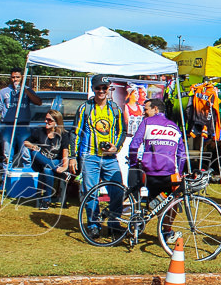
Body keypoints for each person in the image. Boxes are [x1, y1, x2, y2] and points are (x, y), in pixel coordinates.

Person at [69, 75, 126, 235]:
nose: (101, 91)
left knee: (117, 191)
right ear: (93, 89)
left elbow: (122, 131)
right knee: (91, 192)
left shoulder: (115, 108)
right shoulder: (85, 108)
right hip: (90, 157)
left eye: (104, 88)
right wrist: (73, 156)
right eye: (98, 88)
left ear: (109, 89)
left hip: (109, 158)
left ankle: (114, 224)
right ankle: (94, 226)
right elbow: (75, 133)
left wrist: (116, 147)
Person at [128, 98, 186, 243]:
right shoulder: (174, 127)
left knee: (156, 202)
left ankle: (143, 223)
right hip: (170, 174)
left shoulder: (147, 123)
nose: (143, 112)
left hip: (149, 173)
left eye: (146, 109)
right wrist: (180, 171)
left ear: (156, 109)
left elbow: (134, 146)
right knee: (170, 201)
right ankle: (166, 231)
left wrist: (134, 163)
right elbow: (182, 155)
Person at [0, 67, 43, 165]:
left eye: (18, 77)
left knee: (26, 152)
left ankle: (27, 174)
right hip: (8, 125)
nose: (15, 79)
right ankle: (6, 175)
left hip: (23, 125)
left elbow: (38, 102)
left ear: (22, 77)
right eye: (13, 77)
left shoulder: (27, 90)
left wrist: (25, 90)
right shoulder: (4, 92)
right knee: (7, 153)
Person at [22, 109, 71, 210]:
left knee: (48, 169)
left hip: (56, 161)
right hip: (41, 162)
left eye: (49, 120)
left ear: (56, 122)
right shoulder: (40, 131)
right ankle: (57, 171)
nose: (46, 122)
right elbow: (26, 142)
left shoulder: (63, 135)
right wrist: (33, 146)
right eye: (45, 119)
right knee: (35, 153)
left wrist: (65, 166)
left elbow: (65, 151)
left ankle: (46, 201)